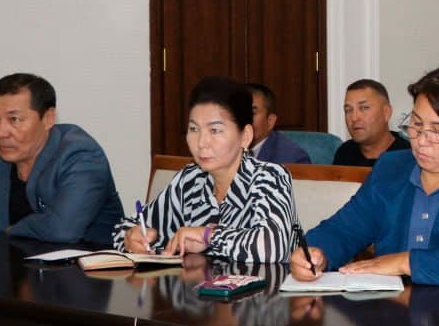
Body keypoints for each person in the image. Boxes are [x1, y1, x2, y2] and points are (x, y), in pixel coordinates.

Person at [294, 63, 439, 285]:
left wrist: (405, 262)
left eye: (438, 131)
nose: (421, 140)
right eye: (416, 124)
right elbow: (344, 229)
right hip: (392, 312)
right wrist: (316, 253)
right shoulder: (392, 167)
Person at [0, 72, 123, 244]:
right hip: (11, 276)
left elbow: (63, 229)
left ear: (47, 119)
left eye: (14, 119)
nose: (0, 132)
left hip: (83, 278)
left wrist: (11, 229)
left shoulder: (80, 156)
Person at [115, 76, 296, 259]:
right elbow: (125, 227)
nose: (201, 142)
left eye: (215, 130)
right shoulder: (190, 180)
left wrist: (207, 235)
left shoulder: (270, 177)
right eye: (194, 129)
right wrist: (132, 237)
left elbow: (272, 246)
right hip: (197, 286)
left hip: (262, 287)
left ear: (245, 136)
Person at [332, 79, 411, 167]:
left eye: (364, 108)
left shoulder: (409, 156)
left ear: (386, 112)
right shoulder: (344, 153)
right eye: (348, 110)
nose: (354, 118)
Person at [247, 83, 312, 165]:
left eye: (251, 112)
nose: (243, 118)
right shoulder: (227, 148)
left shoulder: (293, 158)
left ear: (270, 121)